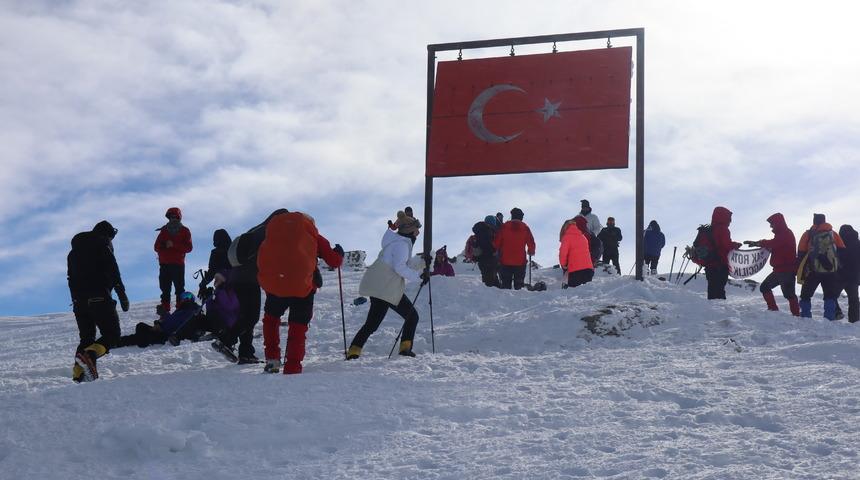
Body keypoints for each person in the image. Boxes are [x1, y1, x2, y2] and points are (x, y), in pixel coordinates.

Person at [257, 211, 343, 374]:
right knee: (298, 326)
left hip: (276, 285)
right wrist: (339, 253)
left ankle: (272, 360)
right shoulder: (313, 234)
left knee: (271, 320)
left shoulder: (274, 235)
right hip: (303, 287)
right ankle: (292, 366)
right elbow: (334, 261)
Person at [348, 211, 428, 359]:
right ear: (410, 230)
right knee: (412, 316)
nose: (418, 231)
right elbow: (400, 267)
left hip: (380, 286)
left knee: (372, 323)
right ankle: (405, 349)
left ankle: (354, 350)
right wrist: (419, 276)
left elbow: (403, 264)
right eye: (417, 228)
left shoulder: (395, 242)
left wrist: (421, 263)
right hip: (387, 288)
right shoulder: (402, 245)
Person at [211, 209, 287, 364]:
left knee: (246, 315)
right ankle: (226, 340)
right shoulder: (270, 232)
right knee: (251, 317)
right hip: (249, 279)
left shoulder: (256, 230)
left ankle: (246, 353)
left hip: (238, 277)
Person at [67, 220, 129, 382]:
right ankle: (90, 355)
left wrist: (76, 300)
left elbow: (70, 279)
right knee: (112, 335)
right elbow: (113, 270)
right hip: (100, 297)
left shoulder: (73, 253)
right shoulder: (103, 245)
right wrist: (122, 295)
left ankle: (79, 375)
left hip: (79, 301)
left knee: (86, 339)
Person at [118, 291, 223, 348]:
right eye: (184, 296)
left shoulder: (192, 309)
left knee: (141, 336)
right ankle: (142, 339)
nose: (186, 298)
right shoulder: (181, 310)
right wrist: (160, 322)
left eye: (189, 296)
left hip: (170, 334)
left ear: (192, 299)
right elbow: (172, 320)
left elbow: (177, 322)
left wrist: (163, 318)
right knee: (141, 326)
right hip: (166, 329)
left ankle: (119, 342)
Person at [745, 213, 799, 315]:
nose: (771, 226)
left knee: (789, 295)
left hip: (787, 271)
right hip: (778, 271)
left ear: (777, 223)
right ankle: (773, 310)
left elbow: (773, 243)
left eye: (772, 223)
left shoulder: (786, 234)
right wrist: (757, 243)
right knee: (765, 287)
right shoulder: (781, 234)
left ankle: (796, 316)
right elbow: (773, 243)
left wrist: (757, 243)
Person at [797, 214, 845, 320]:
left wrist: (801, 268)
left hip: (813, 270)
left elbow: (801, 252)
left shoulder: (808, 234)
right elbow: (842, 250)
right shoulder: (833, 234)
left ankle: (806, 316)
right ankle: (829, 318)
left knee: (805, 295)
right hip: (831, 271)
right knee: (830, 295)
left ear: (814, 221)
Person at [154, 207, 193, 315]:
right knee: (165, 289)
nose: (173, 219)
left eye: (175, 217)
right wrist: (165, 245)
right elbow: (156, 247)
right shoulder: (164, 231)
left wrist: (173, 245)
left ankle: (180, 311)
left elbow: (189, 248)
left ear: (179, 218)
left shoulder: (185, 231)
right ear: (168, 218)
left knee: (179, 289)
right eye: (171, 217)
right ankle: (165, 312)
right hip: (165, 264)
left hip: (177, 264)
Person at [494, 207, 536, 290]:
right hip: (520, 261)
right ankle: (518, 298)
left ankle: (505, 300)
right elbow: (531, 242)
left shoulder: (504, 227)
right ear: (521, 217)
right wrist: (531, 251)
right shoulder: (525, 228)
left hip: (505, 260)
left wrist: (495, 251)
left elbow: (496, 243)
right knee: (519, 285)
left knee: (506, 284)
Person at [705, 207, 741, 300]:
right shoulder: (723, 229)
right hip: (720, 263)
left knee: (712, 289)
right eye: (729, 218)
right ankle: (720, 311)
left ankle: (712, 310)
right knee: (720, 289)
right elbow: (726, 244)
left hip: (709, 264)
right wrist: (736, 245)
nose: (730, 221)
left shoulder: (709, 229)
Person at [835, 225, 860, 323]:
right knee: (853, 300)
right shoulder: (858, 243)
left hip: (840, 276)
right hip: (854, 277)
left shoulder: (839, 244)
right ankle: (854, 320)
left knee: (831, 296)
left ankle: (837, 313)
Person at [197, 229, 231, 299]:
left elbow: (211, 272)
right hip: (236, 285)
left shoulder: (215, 252)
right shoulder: (233, 249)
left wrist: (202, 285)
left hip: (221, 286)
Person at [560, 217, 593, 287]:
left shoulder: (567, 237)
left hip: (576, 271)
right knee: (586, 294)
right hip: (589, 270)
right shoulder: (583, 237)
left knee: (574, 295)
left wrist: (564, 265)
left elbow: (563, 253)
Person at [472, 215, 500, 287]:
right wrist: (494, 251)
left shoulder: (481, 230)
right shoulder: (486, 231)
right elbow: (487, 245)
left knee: (489, 279)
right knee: (490, 282)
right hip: (488, 259)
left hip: (482, 259)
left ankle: (492, 293)